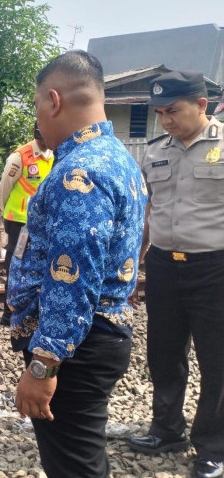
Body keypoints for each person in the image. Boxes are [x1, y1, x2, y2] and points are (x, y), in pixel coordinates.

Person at [7, 50, 147, 478]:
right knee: (80, 458)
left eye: (36, 107)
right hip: (94, 338)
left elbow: (73, 276)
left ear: (53, 100)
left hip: (76, 350)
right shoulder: (117, 157)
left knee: (75, 468)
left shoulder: (79, 173)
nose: (38, 121)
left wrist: (44, 363)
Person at [127, 71, 224, 478]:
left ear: (201, 105)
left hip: (215, 267)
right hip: (165, 265)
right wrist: (138, 256)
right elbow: (151, 209)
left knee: (217, 361)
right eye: (159, 113)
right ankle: (167, 430)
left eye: (173, 111)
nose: (165, 120)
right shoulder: (155, 151)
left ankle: (214, 447)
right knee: (164, 353)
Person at [0, 121, 53, 325]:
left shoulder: (54, 155)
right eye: (41, 138)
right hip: (20, 222)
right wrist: (5, 212)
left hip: (43, 222)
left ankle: (32, 311)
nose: (44, 142)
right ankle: (8, 314)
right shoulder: (20, 157)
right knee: (15, 266)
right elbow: (5, 187)